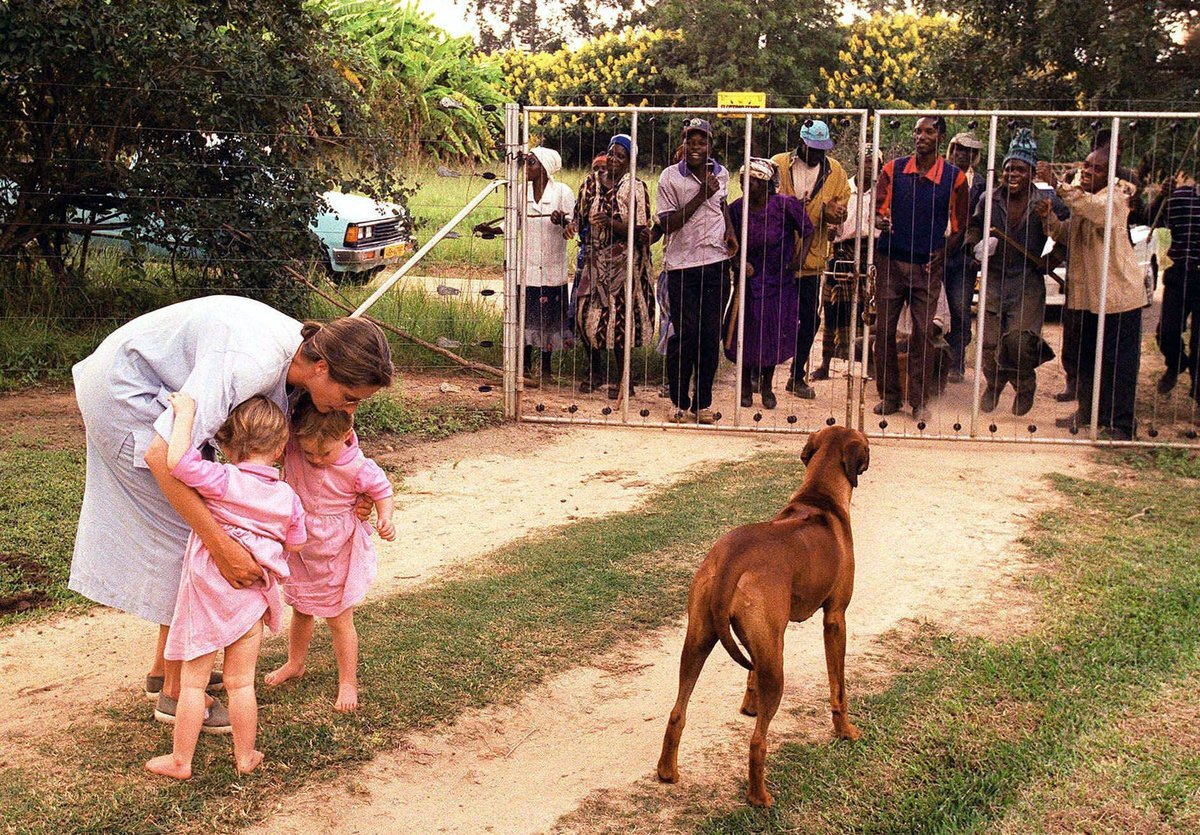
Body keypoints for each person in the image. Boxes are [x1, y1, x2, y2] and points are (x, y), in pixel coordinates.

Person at [70, 296, 393, 731]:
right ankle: (177, 695)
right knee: (186, 538)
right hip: (126, 395)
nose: (349, 409)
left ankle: (166, 670)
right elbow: (161, 453)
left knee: (192, 529)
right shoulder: (250, 365)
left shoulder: (304, 357)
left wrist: (356, 489)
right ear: (322, 368)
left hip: (158, 390)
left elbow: (324, 441)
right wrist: (221, 548)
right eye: (350, 396)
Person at [145, 393, 306, 780]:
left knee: (194, 683)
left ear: (229, 446)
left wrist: (185, 413)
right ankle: (245, 755)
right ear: (282, 447)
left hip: (206, 598)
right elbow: (297, 542)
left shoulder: (222, 479)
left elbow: (178, 462)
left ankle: (181, 761)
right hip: (250, 601)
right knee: (240, 682)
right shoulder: (287, 496)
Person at [265, 396, 395, 712]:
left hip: (336, 550)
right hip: (302, 546)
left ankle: (347, 681)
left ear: (345, 434)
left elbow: (383, 490)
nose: (317, 458)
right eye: (309, 452)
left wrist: (385, 517)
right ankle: (295, 663)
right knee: (302, 608)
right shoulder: (294, 449)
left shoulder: (357, 466)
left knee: (338, 616)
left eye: (325, 452)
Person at [1038, 151, 1145, 440]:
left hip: (1118, 297)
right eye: (1086, 165)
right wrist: (1049, 218)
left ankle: (1122, 424)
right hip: (1088, 298)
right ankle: (1087, 412)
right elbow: (1069, 234)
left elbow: (1098, 211)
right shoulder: (1085, 200)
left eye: (1096, 169)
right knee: (1085, 358)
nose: (1087, 171)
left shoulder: (1116, 197)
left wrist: (1058, 185)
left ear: (1110, 175)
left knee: (1117, 363)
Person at [873, 116, 970, 421]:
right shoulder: (893, 169)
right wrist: (881, 221)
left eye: (929, 131)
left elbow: (960, 226)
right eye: (917, 131)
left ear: (941, 136)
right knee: (884, 330)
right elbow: (878, 212)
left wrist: (942, 254)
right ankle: (889, 395)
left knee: (923, 334)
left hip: (927, 267)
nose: (921, 137)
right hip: (890, 262)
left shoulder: (954, 178)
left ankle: (919, 400)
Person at [966, 130, 1069, 415]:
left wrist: (1053, 258)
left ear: (1031, 173)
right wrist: (976, 245)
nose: (1013, 174)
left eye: (1020, 169)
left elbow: (1070, 229)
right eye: (1008, 168)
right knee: (988, 344)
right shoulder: (989, 198)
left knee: (1020, 340)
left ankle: (1025, 384)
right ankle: (995, 382)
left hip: (1027, 282)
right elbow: (974, 227)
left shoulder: (1044, 200)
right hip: (995, 279)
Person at [656, 118, 738, 424]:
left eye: (702, 141)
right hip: (682, 266)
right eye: (691, 141)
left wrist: (730, 232)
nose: (696, 147)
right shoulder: (669, 178)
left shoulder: (721, 173)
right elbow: (667, 224)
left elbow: (723, 205)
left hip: (715, 264)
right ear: (683, 143)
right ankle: (679, 401)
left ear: (709, 145)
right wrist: (701, 194)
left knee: (708, 336)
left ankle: (702, 404)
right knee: (686, 335)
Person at [726, 158, 815, 409]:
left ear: (766, 185)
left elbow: (808, 230)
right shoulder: (736, 209)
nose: (748, 185)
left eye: (754, 181)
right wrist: (739, 264)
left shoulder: (785, 206)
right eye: (744, 180)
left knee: (772, 334)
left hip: (779, 280)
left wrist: (799, 259)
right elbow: (729, 243)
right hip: (749, 281)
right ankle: (745, 385)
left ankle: (766, 385)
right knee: (746, 332)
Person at [771, 120, 851, 398]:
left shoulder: (835, 171)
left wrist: (835, 215)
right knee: (772, 316)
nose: (817, 153)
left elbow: (840, 207)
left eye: (822, 149)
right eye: (812, 148)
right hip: (777, 256)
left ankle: (797, 375)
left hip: (812, 259)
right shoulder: (778, 164)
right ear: (801, 143)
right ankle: (761, 374)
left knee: (808, 319)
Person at [575, 134, 656, 399]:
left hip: (626, 264)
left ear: (629, 162)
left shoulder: (635, 187)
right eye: (612, 153)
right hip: (594, 260)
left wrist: (611, 223)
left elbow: (640, 230)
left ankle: (625, 381)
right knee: (586, 316)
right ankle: (595, 372)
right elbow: (578, 217)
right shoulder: (590, 184)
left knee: (622, 321)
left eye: (621, 156)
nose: (614, 160)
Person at [821, 148, 879, 380]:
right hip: (842, 251)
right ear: (857, 162)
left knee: (869, 312)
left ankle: (870, 366)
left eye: (874, 162)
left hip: (870, 253)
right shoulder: (844, 189)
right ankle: (825, 363)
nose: (870, 166)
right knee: (833, 309)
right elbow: (829, 221)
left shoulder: (881, 192)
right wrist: (830, 230)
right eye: (866, 161)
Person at [521, 146, 576, 378]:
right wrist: (493, 229)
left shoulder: (562, 192)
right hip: (528, 266)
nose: (526, 167)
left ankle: (546, 368)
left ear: (544, 168)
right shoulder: (520, 192)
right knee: (526, 317)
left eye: (531, 162)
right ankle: (523, 366)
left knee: (549, 319)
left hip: (553, 267)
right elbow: (513, 222)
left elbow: (573, 227)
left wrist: (562, 220)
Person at [1151, 170, 1200, 412]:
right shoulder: (1180, 197)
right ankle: (1177, 362)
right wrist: (1162, 196)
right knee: (1167, 332)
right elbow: (1150, 219)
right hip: (1179, 274)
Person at [943, 131, 987, 383]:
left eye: (969, 151)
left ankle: (956, 363)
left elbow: (984, 220)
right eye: (959, 149)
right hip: (937, 251)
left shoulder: (980, 184)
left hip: (963, 257)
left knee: (959, 308)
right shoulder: (939, 174)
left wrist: (975, 248)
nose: (963, 154)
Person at [567, 154, 608, 336]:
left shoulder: (619, 189)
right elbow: (577, 217)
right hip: (587, 250)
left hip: (608, 254)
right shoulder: (587, 188)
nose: (599, 171)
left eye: (603, 168)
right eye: (596, 168)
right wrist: (572, 225)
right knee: (581, 296)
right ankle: (577, 334)